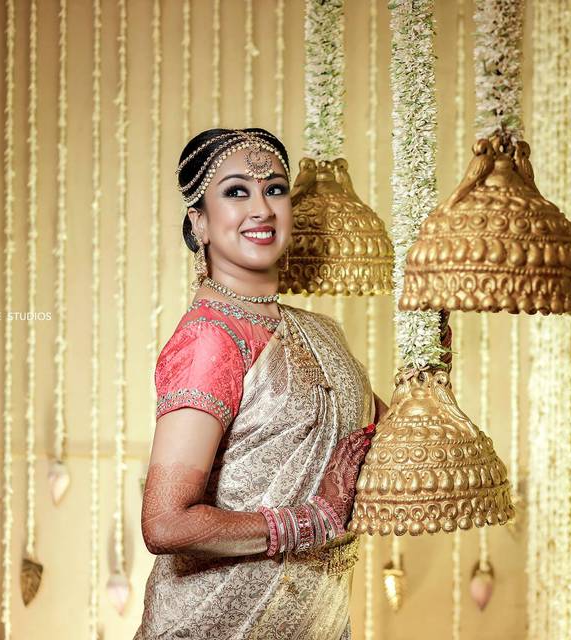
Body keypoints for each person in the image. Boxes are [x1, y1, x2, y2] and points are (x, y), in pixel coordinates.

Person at [133, 128, 388, 640]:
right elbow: (165, 524)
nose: (262, 209)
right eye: (235, 192)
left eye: (274, 189)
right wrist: (309, 522)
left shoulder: (322, 333)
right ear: (198, 222)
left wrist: (434, 352)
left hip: (317, 621)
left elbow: (386, 447)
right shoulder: (211, 339)